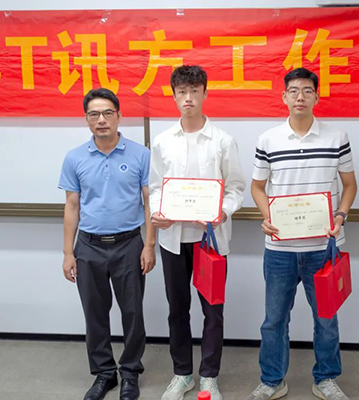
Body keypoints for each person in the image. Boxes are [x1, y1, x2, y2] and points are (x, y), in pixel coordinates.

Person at [246, 68, 357, 400]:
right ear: (284, 96)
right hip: (280, 248)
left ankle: (325, 379)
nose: (300, 97)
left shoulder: (337, 137)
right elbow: (257, 186)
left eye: (307, 91)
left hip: (324, 247)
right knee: (274, 320)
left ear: (316, 97)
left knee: (326, 318)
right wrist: (267, 216)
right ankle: (272, 380)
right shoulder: (268, 139)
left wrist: (340, 215)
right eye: (293, 91)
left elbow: (350, 185)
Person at [149, 65, 246, 400]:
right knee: (177, 309)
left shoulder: (222, 141)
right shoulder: (162, 141)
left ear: (205, 93)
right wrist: (158, 211)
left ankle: (208, 376)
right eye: (181, 92)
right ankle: (182, 374)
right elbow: (155, 187)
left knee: (212, 311)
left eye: (194, 91)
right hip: (172, 240)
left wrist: (223, 211)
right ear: (174, 95)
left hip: (211, 241)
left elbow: (235, 187)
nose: (188, 98)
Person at [59, 88, 156, 400]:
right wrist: (68, 252)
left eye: (107, 113)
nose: (101, 119)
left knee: (133, 312)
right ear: (87, 119)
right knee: (95, 313)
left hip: (129, 244)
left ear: (119, 116)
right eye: (94, 114)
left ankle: (130, 373)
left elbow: (149, 202)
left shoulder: (141, 155)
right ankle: (104, 374)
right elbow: (72, 206)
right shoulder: (75, 158)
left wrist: (149, 244)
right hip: (88, 246)